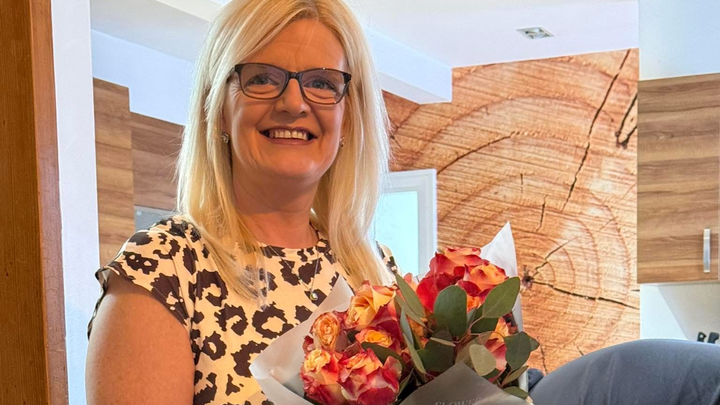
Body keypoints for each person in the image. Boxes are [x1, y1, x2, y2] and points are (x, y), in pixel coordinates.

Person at [85, 0, 399, 403]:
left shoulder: (375, 270)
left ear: (348, 117)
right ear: (218, 106)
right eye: (262, 78)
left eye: (322, 83)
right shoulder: (165, 269)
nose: (293, 103)